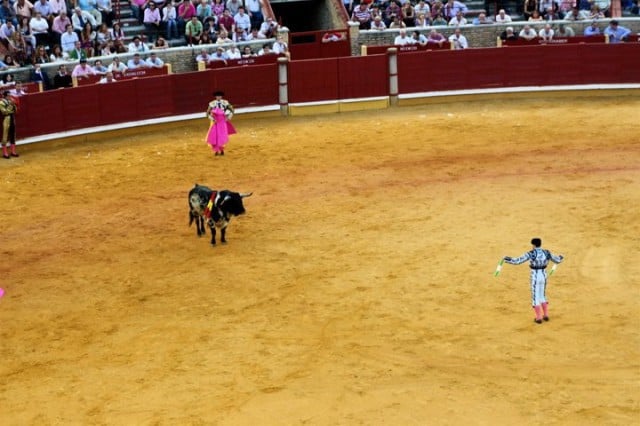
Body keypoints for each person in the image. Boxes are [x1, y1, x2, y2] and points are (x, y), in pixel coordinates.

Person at [503, 238, 564, 324]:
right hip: (544, 275)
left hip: (535, 275)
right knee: (542, 295)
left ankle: (538, 318)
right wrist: (561, 257)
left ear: (534, 245)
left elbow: (517, 261)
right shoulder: (547, 252)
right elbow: (557, 260)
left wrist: (507, 259)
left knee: (535, 296)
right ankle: (546, 315)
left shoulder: (531, 254)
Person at [205, 90, 235, 156]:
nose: (218, 97)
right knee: (214, 136)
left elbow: (232, 110)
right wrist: (212, 119)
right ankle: (216, 151)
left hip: (222, 121)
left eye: (220, 96)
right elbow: (207, 113)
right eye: (217, 96)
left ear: (221, 96)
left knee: (221, 136)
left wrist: (228, 117)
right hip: (214, 121)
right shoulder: (212, 103)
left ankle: (222, 150)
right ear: (215, 97)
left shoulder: (225, 102)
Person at [0, 91, 18, 158]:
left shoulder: (11, 101)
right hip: (6, 119)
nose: (9, 97)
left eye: (10, 95)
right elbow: (4, 112)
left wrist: (13, 105)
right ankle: (5, 153)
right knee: (5, 135)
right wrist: (11, 105)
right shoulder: (1, 102)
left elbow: (15, 110)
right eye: (8, 95)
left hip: (12, 118)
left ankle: (13, 152)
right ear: (4, 96)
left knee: (13, 134)